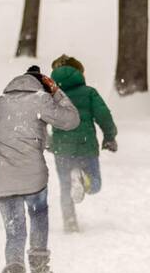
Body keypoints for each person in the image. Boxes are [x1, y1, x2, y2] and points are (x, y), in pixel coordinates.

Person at [0, 65, 79, 273]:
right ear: (42, 84)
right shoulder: (41, 99)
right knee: (38, 215)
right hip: (33, 176)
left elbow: (20, 131)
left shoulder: (1, 102)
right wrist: (57, 92)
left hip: (3, 176)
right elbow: (71, 120)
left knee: (14, 230)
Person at [49, 55, 117, 232]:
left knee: (66, 187)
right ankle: (82, 179)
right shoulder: (89, 93)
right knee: (94, 184)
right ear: (79, 72)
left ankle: (70, 223)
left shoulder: (52, 97)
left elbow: (39, 120)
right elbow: (104, 115)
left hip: (62, 148)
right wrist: (109, 136)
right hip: (86, 145)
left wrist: (47, 142)